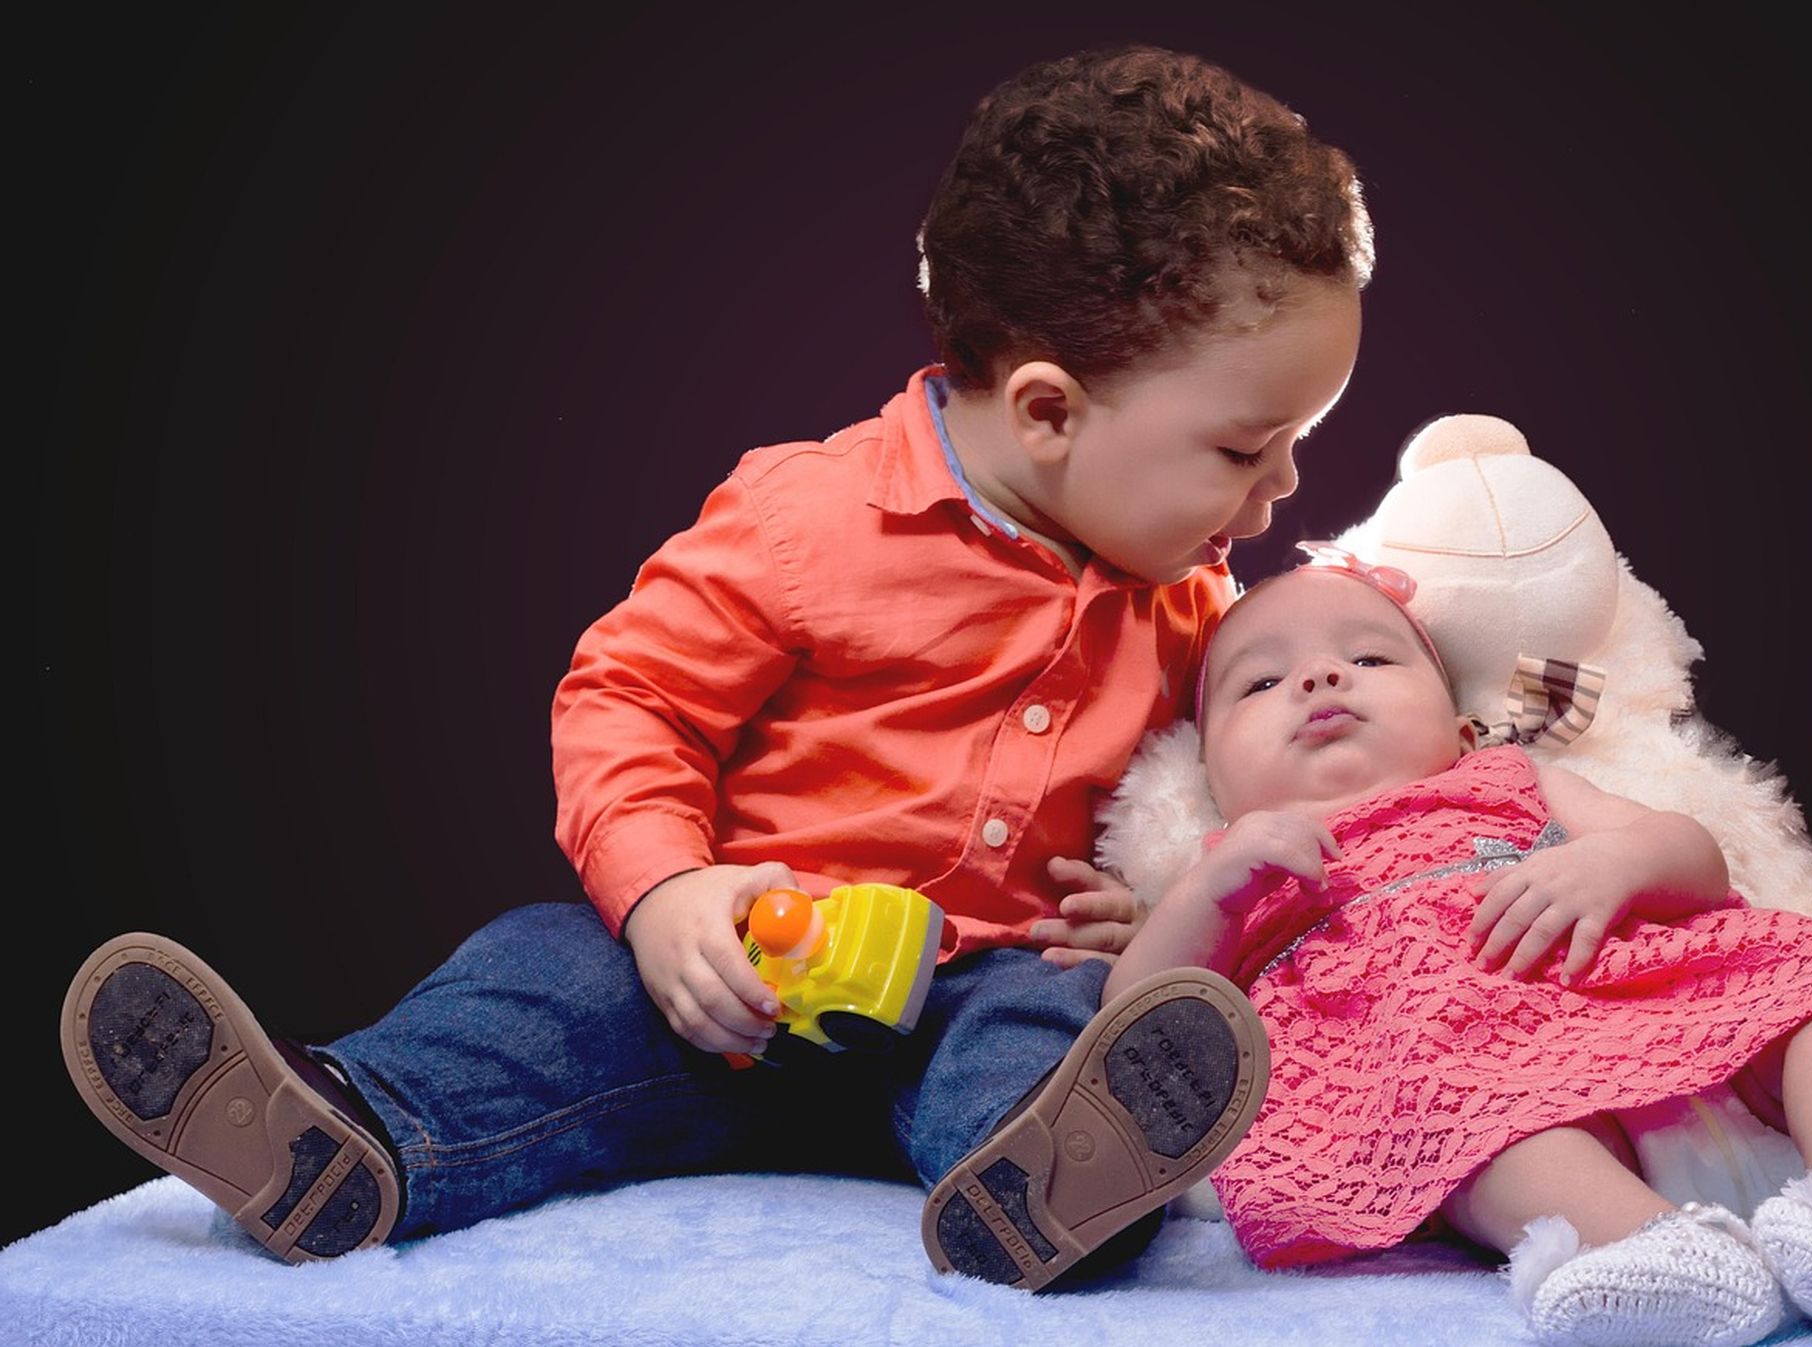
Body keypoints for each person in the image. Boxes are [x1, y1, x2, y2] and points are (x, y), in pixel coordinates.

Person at [58, 45, 1369, 1292]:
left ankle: (1055, 1196)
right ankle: (345, 1133)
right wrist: (666, 894)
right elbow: (631, 701)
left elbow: (1209, 795)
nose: (1283, 488)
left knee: (1054, 1022)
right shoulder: (808, 518)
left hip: (979, 991)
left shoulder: (1195, 609)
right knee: (544, 973)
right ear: (1046, 411)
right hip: (729, 982)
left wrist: (1147, 920)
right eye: (1246, 449)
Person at [1106, 545, 1812, 1344]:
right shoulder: (1237, 871)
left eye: (1370, 657)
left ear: (1465, 732)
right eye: (1260, 682)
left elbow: (1695, 857)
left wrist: (1615, 863)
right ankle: (1658, 1248)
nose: (1319, 677)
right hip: (1454, 1068)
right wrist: (1208, 892)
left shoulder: (1506, 779)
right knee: (1463, 1119)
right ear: (1213, 777)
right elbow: (1131, 1021)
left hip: (1630, 993)